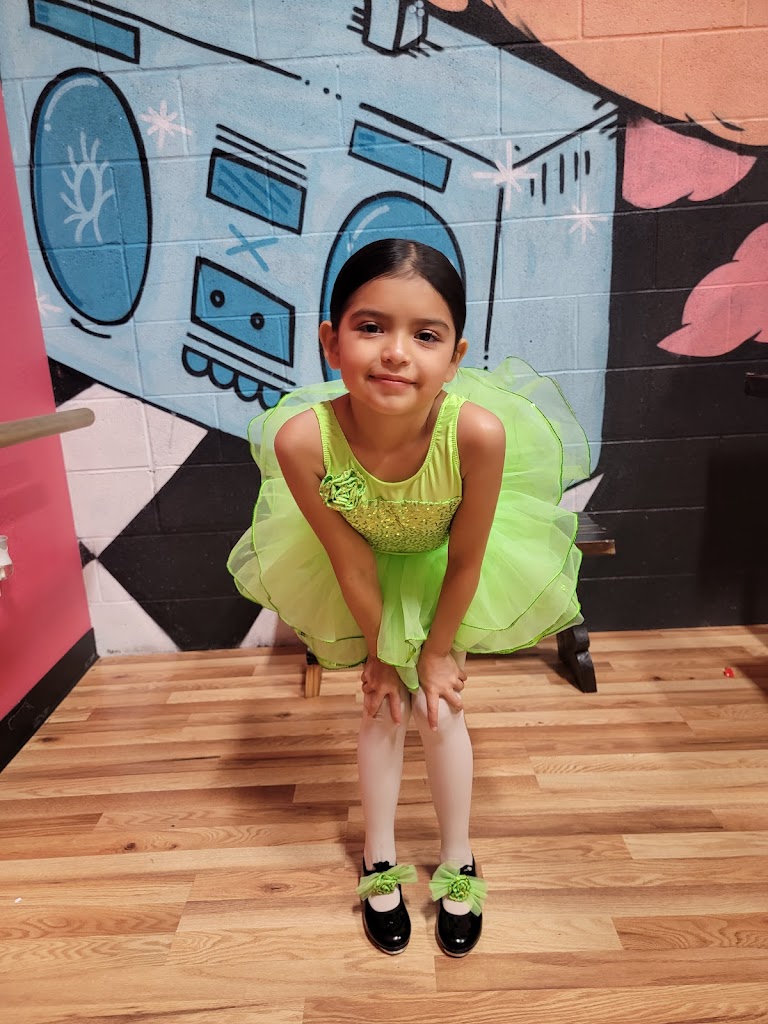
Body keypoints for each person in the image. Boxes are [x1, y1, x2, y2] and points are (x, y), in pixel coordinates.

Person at [228, 238, 590, 957]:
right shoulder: (303, 442)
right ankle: (378, 856)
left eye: (425, 336)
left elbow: (468, 558)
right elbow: (349, 559)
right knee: (382, 706)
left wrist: (434, 653)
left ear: (455, 357)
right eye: (371, 327)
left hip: (444, 573)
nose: (396, 353)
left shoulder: (477, 435)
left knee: (440, 706)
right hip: (365, 577)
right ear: (332, 341)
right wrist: (379, 654)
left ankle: (459, 856)